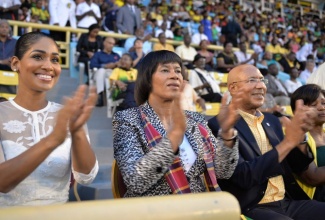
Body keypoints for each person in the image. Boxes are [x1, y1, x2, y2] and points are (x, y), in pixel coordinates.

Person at [113, 50, 239, 197]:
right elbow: (135, 181)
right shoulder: (127, 119)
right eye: (165, 70)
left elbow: (223, 172)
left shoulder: (195, 119)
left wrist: (226, 132)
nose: (174, 75)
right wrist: (174, 137)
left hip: (200, 208)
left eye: (178, 71)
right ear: (147, 79)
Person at [208, 64, 325, 219]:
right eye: (251, 80)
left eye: (262, 80)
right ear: (233, 88)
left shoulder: (272, 121)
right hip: (253, 206)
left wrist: (301, 138)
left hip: (287, 202)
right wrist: (288, 143)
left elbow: (297, 166)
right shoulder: (219, 125)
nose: (260, 85)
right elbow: (242, 177)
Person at [0, 32, 98, 206]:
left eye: (54, 60)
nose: (48, 66)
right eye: (38, 57)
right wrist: (52, 140)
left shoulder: (67, 115)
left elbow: (86, 177)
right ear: (15, 63)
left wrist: (77, 133)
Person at [290, 84, 325, 202]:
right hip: (314, 202)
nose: (321, 108)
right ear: (298, 110)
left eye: (323, 103)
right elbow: (312, 178)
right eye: (314, 105)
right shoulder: (296, 139)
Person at [90, 37, 120, 106]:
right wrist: (105, 66)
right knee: (102, 71)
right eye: (110, 43)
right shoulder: (98, 54)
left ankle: (112, 96)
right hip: (99, 73)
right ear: (104, 43)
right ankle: (100, 96)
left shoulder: (116, 55)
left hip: (111, 73)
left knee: (112, 73)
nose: (111, 45)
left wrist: (116, 65)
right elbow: (92, 65)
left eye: (113, 44)